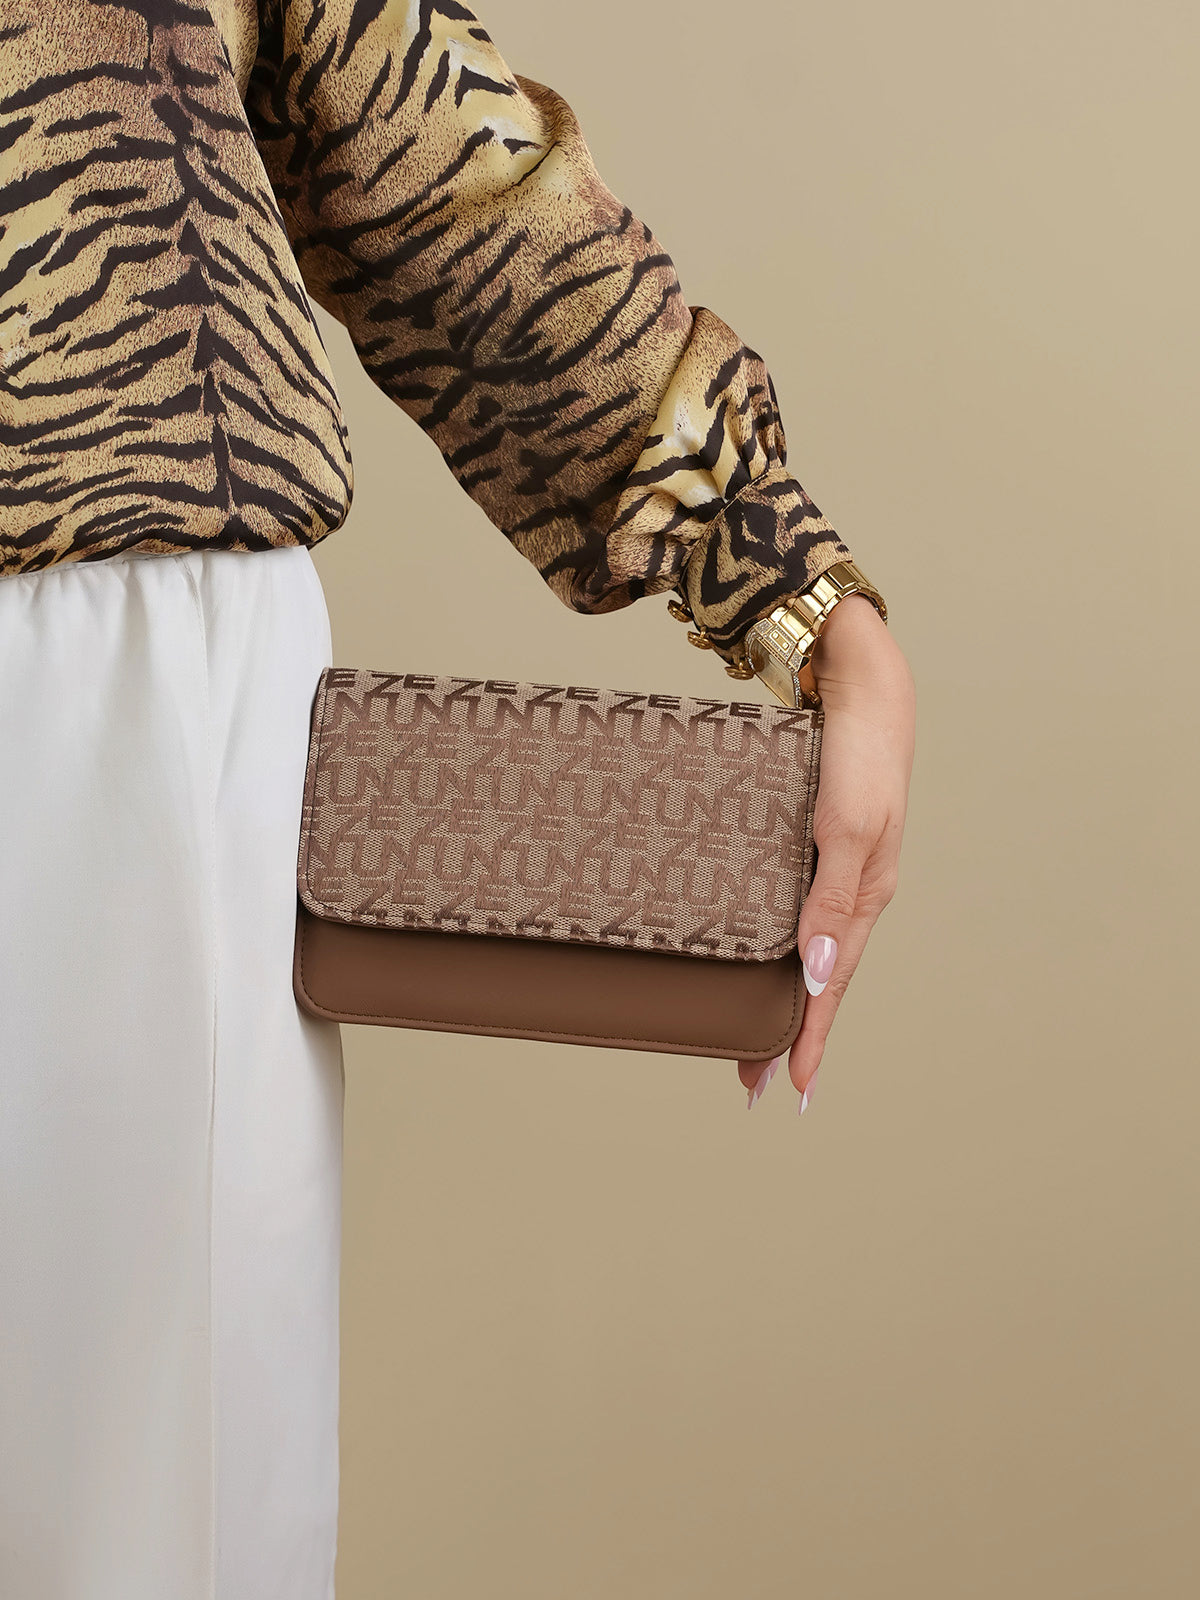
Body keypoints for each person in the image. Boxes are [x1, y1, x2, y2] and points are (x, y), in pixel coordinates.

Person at [0, 1, 916, 1595]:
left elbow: (423, 159)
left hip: (113, 668)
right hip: (123, 666)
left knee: (141, 1520)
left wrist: (787, 580)